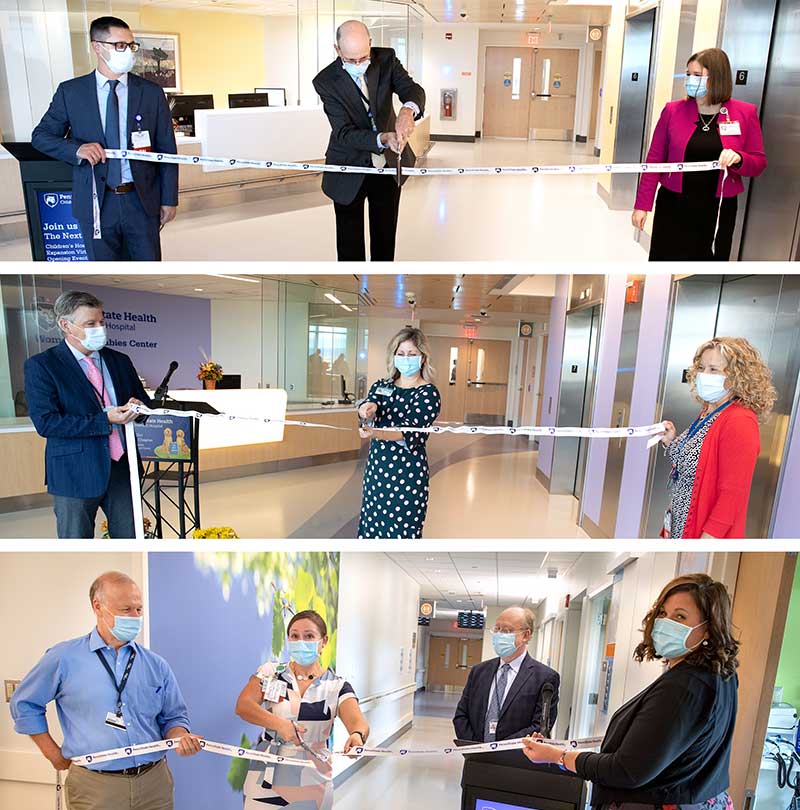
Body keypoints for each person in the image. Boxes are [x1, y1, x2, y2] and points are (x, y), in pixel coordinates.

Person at [521, 573, 739, 810]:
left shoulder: (683, 686)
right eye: (663, 614)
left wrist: (557, 757)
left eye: (680, 616)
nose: (666, 623)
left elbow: (626, 770)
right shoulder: (719, 677)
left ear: (708, 629)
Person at [10, 572, 202, 810]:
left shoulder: (156, 664)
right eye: (126, 610)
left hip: (154, 783)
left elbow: (174, 717)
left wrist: (179, 737)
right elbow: (24, 704)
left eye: (139, 610)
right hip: (95, 785)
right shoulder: (64, 658)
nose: (135, 617)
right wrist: (52, 754)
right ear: (98, 607)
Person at [31, 16, 178, 260]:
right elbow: (41, 136)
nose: (128, 52)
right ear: (97, 47)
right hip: (96, 202)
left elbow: (166, 150)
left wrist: (169, 198)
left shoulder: (151, 93)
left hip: (141, 201)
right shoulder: (72, 92)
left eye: (131, 46)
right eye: (120, 45)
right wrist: (75, 149)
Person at [24, 290, 153, 538]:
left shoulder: (119, 360)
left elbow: (145, 404)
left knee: (131, 537)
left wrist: (138, 407)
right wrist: (104, 420)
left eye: (102, 322)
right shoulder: (42, 366)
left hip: (122, 467)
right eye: (90, 324)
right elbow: (47, 423)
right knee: (76, 539)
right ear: (65, 325)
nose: (99, 329)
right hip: (75, 471)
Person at [632, 48, 766, 261]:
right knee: (665, 259)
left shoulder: (744, 113)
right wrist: (642, 205)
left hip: (718, 207)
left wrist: (739, 158)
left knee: (709, 261)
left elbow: (758, 162)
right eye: (688, 74)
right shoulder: (672, 111)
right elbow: (654, 161)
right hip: (674, 204)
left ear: (717, 78)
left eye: (697, 75)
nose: (690, 80)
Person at [313, 20, 425, 261]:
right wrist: (382, 138)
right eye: (351, 60)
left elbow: (411, 89)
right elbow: (343, 132)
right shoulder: (325, 81)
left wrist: (407, 111)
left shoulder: (386, 59)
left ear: (370, 45)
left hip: (387, 166)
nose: (358, 65)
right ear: (337, 49)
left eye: (363, 57)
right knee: (349, 247)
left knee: (385, 242)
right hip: (348, 166)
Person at [236, 610, 369, 810]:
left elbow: (358, 723)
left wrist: (357, 736)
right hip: (265, 777)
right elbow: (243, 706)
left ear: (323, 642)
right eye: (295, 636)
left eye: (309, 636)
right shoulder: (271, 673)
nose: (301, 642)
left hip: (313, 781)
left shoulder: (336, 686)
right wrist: (280, 725)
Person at [658, 336, 776, 539]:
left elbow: (733, 495)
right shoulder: (710, 410)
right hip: (679, 521)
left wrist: (707, 542)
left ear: (737, 377)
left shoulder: (739, 421)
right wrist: (672, 441)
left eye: (713, 369)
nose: (704, 375)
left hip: (703, 531)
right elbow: (695, 463)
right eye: (702, 367)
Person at [356, 327, 441, 538]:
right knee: (372, 526)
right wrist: (366, 409)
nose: (406, 359)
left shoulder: (428, 393)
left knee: (403, 530)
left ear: (422, 358)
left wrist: (376, 433)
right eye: (401, 354)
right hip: (377, 471)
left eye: (412, 354)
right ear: (393, 356)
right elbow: (370, 404)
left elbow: (408, 431)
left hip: (407, 474)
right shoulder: (382, 385)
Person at [453, 607, 560, 743]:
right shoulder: (479, 671)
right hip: (475, 758)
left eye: (506, 630)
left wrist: (499, 751)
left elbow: (540, 727)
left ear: (525, 636)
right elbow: (461, 716)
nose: (499, 634)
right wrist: (476, 748)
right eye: (497, 629)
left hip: (515, 760)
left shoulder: (545, 678)